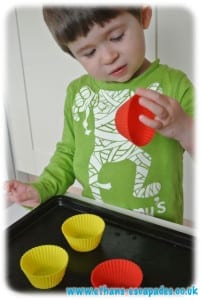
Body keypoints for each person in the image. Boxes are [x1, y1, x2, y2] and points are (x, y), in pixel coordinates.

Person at [5, 6, 194, 224]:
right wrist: (42, 188)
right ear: (72, 54)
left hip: (157, 225)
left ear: (144, 16)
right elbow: (68, 153)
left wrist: (185, 129)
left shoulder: (174, 86)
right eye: (89, 52)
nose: (108, 57)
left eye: (117, 36)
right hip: (96, 221)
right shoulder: (78, 92)